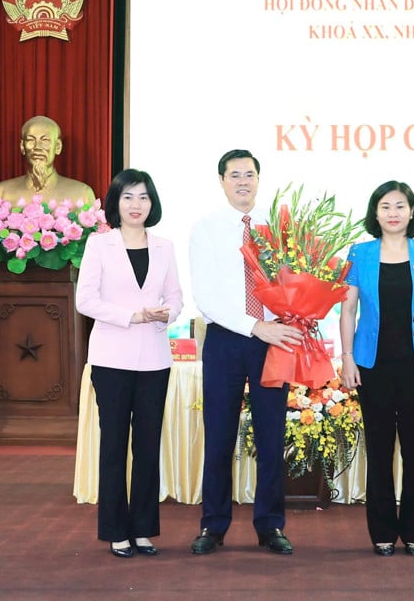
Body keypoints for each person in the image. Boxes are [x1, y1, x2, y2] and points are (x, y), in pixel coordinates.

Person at [187, 149, 304, 556]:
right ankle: (213, 525)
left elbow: (296, 283)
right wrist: (257, 326)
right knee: (219, 437)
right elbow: (206, 297)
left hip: (273, 343)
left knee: (272, 438)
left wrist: (293, 319)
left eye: (249, 174)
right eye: (234, 174)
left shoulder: (279, 229)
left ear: (258, 180)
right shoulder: (206, 229)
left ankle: (270, 525)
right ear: (221, 181)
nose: (242, 181)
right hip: (226, 341)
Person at [339, 180, 414, 557]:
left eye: (400, 206)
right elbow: (348, 310)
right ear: (375, 213)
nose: (393, 213)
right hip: (373, 365)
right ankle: (383, 532)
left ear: (412, 212)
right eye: (385, 206)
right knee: (380, 448)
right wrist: (347, 357)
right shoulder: (360, 254)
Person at [75, 169, 182, 559]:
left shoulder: (165, 246)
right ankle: (115, 530)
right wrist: (132, 316)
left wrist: (164, 313)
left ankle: (143, 530)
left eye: (143, 198)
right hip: (112, 359)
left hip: (154, 360)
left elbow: (175, 298)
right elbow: (84, 301)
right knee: (115, 445)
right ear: (115, 203)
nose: (136, 205)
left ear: (152, 204)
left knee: (149, 446)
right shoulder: (98, 245)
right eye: (128, 197)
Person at [0, 115, 96, 206]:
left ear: (57, 147)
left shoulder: (82, 193)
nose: (37, 147)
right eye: (31, 140)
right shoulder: (0, 193)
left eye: (45, 140)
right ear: (22, 147)